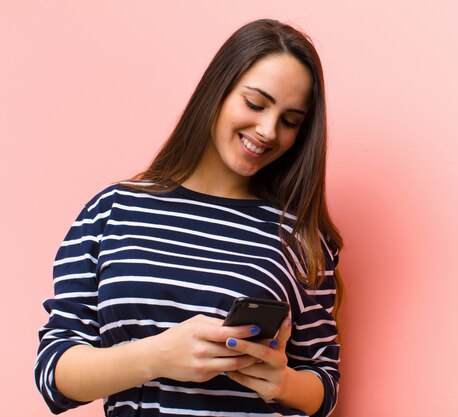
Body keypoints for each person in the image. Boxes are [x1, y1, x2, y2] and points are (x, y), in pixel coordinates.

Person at [35, 18, 343, 417]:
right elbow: (52, 375)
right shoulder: (110, 210)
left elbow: (325, 383)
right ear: (218, 90)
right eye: (255, 103)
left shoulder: (301, 237)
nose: (268, 130)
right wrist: (156, 356)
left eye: (290, 121)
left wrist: (283, 383)